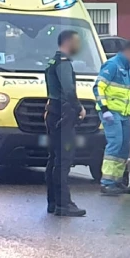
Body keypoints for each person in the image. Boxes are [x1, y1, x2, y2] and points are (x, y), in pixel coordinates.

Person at [45, 30, 87, 217]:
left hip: (53, 112)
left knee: (54, 158)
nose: (79, 46)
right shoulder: (64, 63)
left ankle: (53, 202)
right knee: (63, 160)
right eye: (77, 42)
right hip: (63, 113)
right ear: (68, 42)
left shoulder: (52, 61)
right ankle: (64, 203)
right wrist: (79, 108)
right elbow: (68, 90)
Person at [93, 39, 130, 195]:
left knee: (124, 147)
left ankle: (117, 180)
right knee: (115, 144)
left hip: (124, 114)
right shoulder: (113, 65)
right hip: (111, 113)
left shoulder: (129, 68)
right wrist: (104, 109)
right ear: (128, 51)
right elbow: (98, 87)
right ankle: (107, 182)